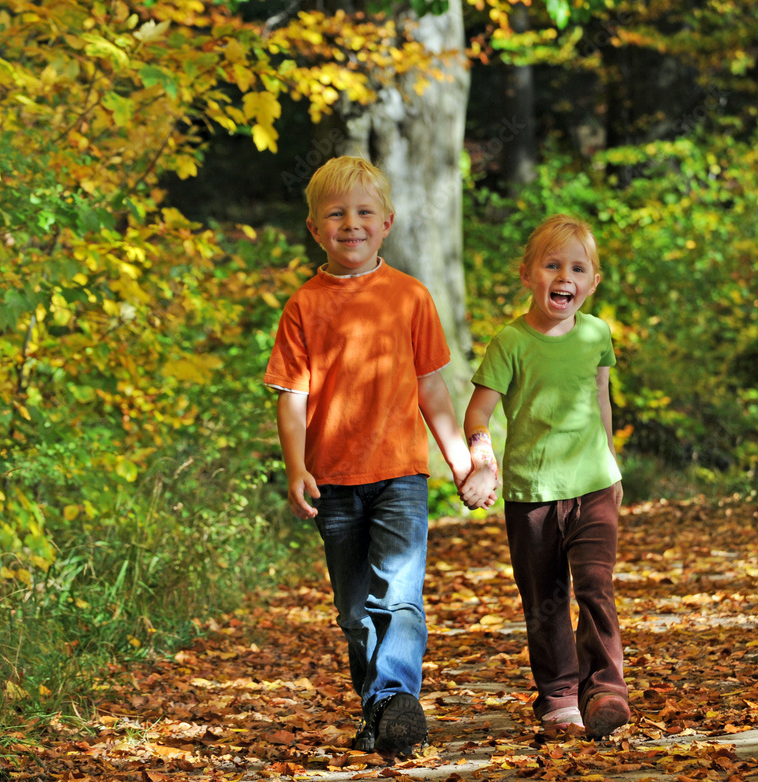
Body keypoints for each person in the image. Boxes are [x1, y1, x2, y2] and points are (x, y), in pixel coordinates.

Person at [264, 155, 483, 757]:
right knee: (354, 612)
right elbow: (292, 398)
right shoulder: (303, 306)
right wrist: (296, 468)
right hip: (333, 480)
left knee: (400, 598)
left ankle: (396, 700)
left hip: (401, 476)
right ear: (314, 228)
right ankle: (380, 709)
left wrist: (460, 463)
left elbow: (432, 388)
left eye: (364, 212)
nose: (351, 223)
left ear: (387, 222)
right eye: (335, 214)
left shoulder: (410, 296)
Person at [458, 213, 630, 740]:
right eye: (552, 265)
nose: (565, 277)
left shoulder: (597, 333)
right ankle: (558, 695)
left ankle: (605, 690)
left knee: (596, 586)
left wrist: (613, 464)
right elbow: (477, 415)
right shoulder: (511, 342)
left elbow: (600, 398)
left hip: (594, 484)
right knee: (545, 598)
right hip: (531, 495)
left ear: (592, 283)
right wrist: (483, 464)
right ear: (527, 274)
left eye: (577, 268)